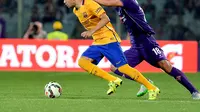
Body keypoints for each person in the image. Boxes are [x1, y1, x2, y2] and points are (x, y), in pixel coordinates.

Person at [94, 0, 200, 99]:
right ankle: (146, 82)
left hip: (147, 42)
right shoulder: (119, 8)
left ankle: (194, 92)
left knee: (166, 66)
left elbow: (107, 3)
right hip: (136, 46)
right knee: (115, 67)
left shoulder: (129, 1)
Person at [63, 0, 160, 100]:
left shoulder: (89, 3)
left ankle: (152, 88)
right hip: (98, 42)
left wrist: (91, 31)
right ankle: (113, 80)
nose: (64, 1)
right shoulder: (76, 10)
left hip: (109, 40)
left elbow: (105, 19)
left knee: (123, 68)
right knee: (83, 62)